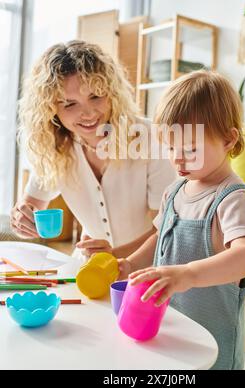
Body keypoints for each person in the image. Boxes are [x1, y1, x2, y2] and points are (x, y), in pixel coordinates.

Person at [118, 70, 245, 370]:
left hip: (213, 342)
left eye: (190, 149)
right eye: (171, 148)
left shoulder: (233, 198)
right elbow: (158, 237)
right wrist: (131, 263)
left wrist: (189, 274)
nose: (178, 159)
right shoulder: (174, 191)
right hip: (173, 326)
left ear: (228, 139)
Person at [11, 40, 175, 261]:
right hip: (88, 268)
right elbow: (31, 207)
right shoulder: (55, 149)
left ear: (112, 93)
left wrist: (115, 257)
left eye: (96, 96)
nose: (87, 113)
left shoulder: (151, 139)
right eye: (70, 104)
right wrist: (22, 218)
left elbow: (166, 231)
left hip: (146, 270)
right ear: (51, 109)